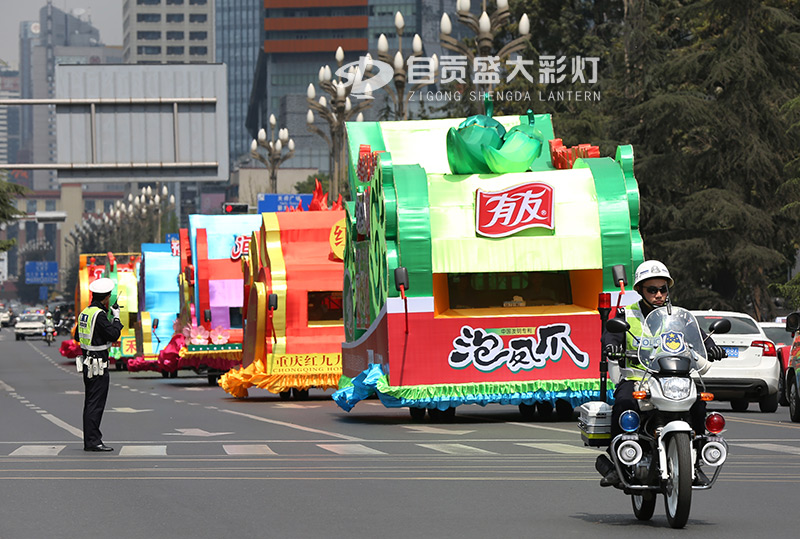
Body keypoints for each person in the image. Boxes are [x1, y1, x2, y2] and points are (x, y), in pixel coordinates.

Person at [596, 260, 726, 487]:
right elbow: (612, 333)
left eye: (662, 289)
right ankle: (619, 462)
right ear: (639, 291)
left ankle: (693, 465)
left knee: (698, 404)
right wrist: (612, 346)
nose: (658, 294)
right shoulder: (628, 314)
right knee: (624, 403)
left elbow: (699, 336)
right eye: (652, 290)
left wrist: (711, 345)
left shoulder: (678, 316)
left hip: (673, 377)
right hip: (638, 377)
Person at [73, 278, 123, 452]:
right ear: (106, 298)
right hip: (98, 363)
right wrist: (116, 319)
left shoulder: (85, 313)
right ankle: (93, 441)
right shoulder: (99, 315)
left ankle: (91, 440)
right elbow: (113, 334)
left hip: (88, 361)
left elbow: (77, 337)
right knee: (96, 403)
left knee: (90, 402)